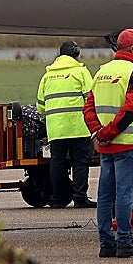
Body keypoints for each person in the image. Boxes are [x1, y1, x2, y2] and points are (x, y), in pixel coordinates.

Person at [83, 29, 133, 258]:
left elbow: (88, 108)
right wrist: (109, 132)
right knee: (125, 195)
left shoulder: (102, 72)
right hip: (125, 144)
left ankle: (106, 244)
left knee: (105, 196)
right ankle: (124, 241)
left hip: (106, 146)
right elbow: (130, 110)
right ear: (132, 48)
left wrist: (98, 133)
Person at [37, 40, 95, 208]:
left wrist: (47, 120)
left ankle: (57, 199)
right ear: (76, 53)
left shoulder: (47, 76)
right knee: (80, 162)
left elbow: (41, 104)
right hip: (78, 127)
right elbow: (90, 98)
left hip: (56, 128)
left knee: (57, 162)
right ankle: (79, 198)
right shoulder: (81, 72)